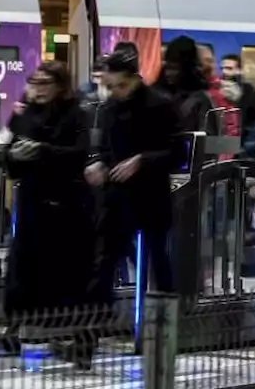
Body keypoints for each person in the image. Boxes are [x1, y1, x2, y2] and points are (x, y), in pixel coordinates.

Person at [0, 62, 92, 356]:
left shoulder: (76, 114)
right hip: (33, 202)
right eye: (35, 81)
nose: (39, 88)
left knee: (69, 274)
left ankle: (80, 339)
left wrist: (43, 151)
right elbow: (9, 154)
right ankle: (13, 331)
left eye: (46, 82)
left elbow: (79, 154)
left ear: (60, 85)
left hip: (67, 205)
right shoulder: (25, 113)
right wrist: (13, 156)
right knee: (21, 271)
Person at [84, 49, 181, 359]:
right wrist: (97, 162)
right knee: (103, 265)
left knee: (157, 264)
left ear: (134, 78)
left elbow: (177, 153)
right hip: (116, 199)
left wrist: (142, 161)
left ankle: (164, 333)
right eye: (110, 87)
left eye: (119, 86)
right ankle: (89, 337)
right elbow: (101, 145)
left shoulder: (161, 105)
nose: (114, 92)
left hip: (150, 198)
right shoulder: (111, 106)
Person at [155, 37, 214, 132]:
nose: (168, 74)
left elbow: (206, 137)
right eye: (167, 68)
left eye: (174, 69)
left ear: (187, 69)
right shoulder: (156, 95)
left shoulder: (199, 99)